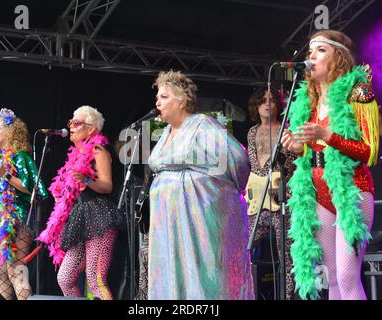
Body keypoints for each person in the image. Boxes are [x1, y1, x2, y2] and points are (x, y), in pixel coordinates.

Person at [281, 30, 380, 300]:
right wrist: (298, 147)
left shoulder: (357, 93)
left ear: (338, 57)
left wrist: (327, 135)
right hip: (318, 193)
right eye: (310, 51)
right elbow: (313, 151)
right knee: (331, 277)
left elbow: (369, 152)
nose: (311, 56)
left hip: (351, 190)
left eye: (321, 50)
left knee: (348, 277)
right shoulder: (308, 102)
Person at [147, 70, 254, 300]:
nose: (158, 102)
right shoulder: (164, 133)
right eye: (158, 97)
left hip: (197, 220)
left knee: (201, 276)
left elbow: (238, 160)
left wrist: (214, 193)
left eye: (164, 97)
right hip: (167, 222)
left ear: (182, 100)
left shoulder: (203, 125)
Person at [37, 105, 124, 300]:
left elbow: (107, 185)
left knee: (95, 279)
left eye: (77, 123)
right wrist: (60, 196)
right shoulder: (74, 157)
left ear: (91, 129)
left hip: (99, 219)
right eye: (71, 123)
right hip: (79, 219)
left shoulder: (97, 150)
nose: (71, 126)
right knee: (65, 278)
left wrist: (86, 181)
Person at [0, 108, 48, 300]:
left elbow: (36, 190)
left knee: (15, 270)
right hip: (1, 223)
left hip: (20, 221)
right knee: (1, 274)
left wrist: (7, 175)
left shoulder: (21, 158)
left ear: (9, 133)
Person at [246, 86, 296, 300]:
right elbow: (252, 165)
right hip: (256, 200)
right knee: (243, 247)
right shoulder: (252, 132)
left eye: (272, 100)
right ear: (256, 106)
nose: (267, 104)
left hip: (281, 200)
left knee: (286, 255)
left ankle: (288, 296)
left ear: (278, 106)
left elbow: (294, 165)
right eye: (262, 100)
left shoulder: (287, 130)